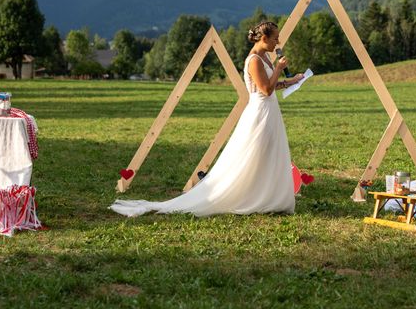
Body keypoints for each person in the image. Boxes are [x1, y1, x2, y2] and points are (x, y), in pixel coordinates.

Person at [110, 21, 304, 217]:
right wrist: (279, 69)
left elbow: (272, 86)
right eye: (275, 38)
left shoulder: (266, 58)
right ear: (263, 39)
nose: (278, 42)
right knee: (252, 155)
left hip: (270, 110)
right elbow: (265, 89)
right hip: (259, 112)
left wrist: (291, 81)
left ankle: (266, 196)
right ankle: (249, 196)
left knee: (269, 154)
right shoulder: (254, 60)